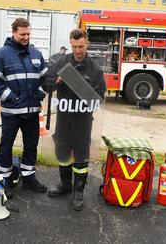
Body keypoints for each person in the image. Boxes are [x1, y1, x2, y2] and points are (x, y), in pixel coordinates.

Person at [44, 29, 106, 211]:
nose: (78, 50)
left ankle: (78, 191)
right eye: (74, 47)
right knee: (62, 154)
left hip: (83, 121)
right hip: (63, 119)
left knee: (80, 156)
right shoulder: (61, 62)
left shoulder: (94, 68)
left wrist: (82, 87)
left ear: (87, 43)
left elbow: (99, 98)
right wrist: (56, 81)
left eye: (81, 46)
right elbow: (46, 85)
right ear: (70, 44)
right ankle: (65, 185)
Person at [0, 17, 48, 196]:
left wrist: (40, 92)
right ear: (14, 32)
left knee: (31, 146)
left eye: (28, 34)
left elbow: (45, 79)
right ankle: (3, 182)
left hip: (32, 112)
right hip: (11, 113)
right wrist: (12, 98)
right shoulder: (1, 54)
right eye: (22, 34)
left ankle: (29, 179)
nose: (26, 37)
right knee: (6, 147)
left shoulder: (36, 53)